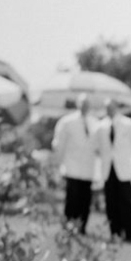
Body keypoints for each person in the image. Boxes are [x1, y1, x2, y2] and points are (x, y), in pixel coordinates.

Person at [52, 94, 97, 234]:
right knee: (72, 199)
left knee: (85, 200)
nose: (85, 106)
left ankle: (82, 226)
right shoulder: (67, 122)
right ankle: (69, 225)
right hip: (72, 167)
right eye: (82, 103)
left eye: (87, 104)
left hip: (88, 169)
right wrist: (59, 165)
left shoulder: (94, 122)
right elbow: (58, 144)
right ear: (78, 104)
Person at [95, 98, 131, 241]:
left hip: (124, 169)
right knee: (111, 203)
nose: (109, 110)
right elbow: (98, 149)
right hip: (108, 169)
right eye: (107, 108)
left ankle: (130, 232)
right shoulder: (100, 126)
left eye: (111, 107)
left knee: (126, 202)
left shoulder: (129, 124)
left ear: (116, 107)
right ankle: (115, 232)